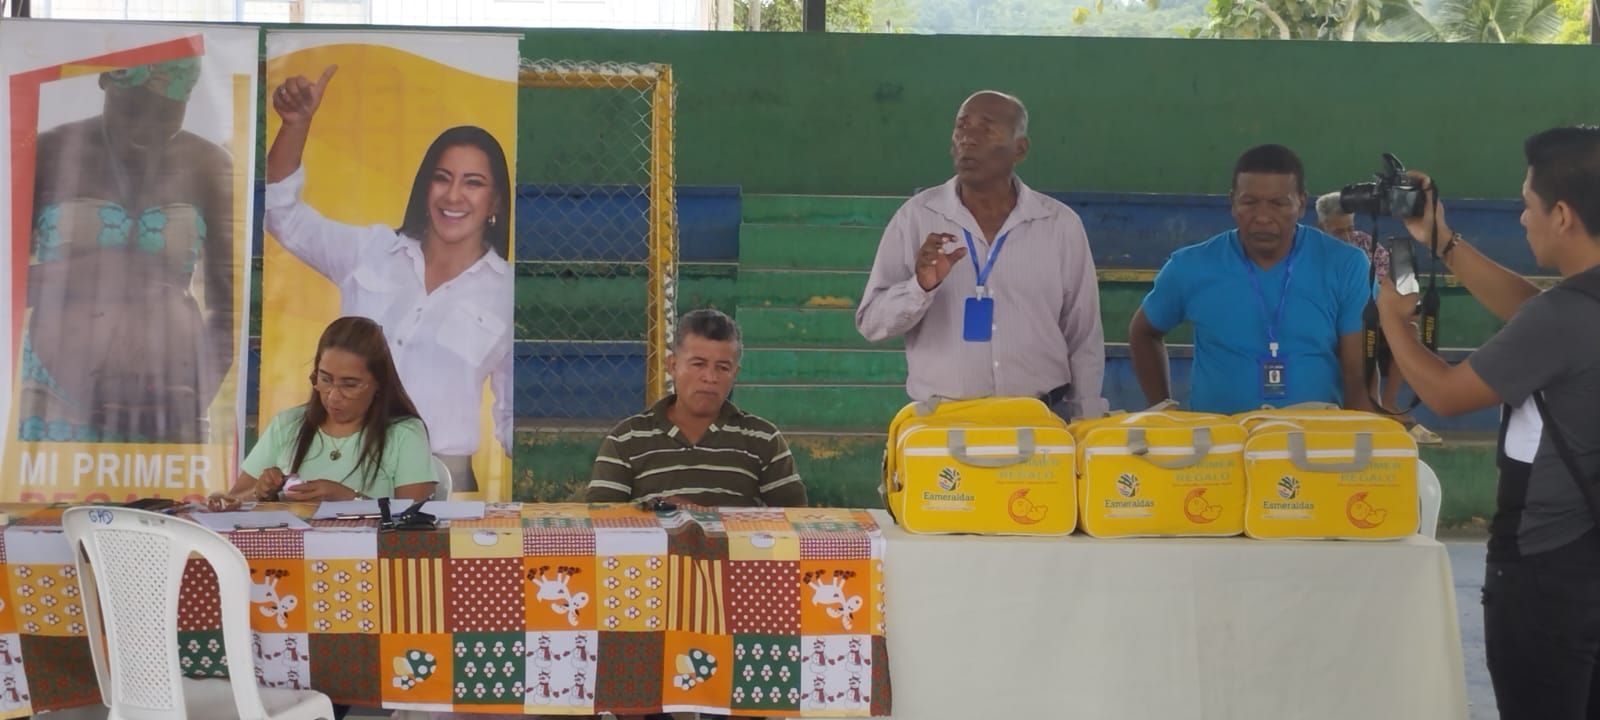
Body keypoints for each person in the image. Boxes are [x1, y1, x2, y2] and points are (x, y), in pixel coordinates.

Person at [1375, 126, 1600, 720]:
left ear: (1562, 215)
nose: (1523, 218)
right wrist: (1441, 239)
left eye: (1528, 205)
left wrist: (1392, 319)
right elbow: (1532, 310)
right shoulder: (1575, 309)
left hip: (1546, 566)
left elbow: (1447, 395)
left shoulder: (1564, 318)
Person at [264, 65, 512, 493]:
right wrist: (295, 124)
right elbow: (281, 215)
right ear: (425, 187)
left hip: (440, 478)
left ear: (495, 203)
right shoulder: (372, 250)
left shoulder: (507, 292)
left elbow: (510, 416)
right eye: (442, 178)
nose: (453, 195)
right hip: (343, 465)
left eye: (473, 183)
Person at [855, 90, 1107, 420]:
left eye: (986, 128)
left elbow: (1084, 335)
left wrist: (1086, 419)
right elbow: (872, 323)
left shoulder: (1059, 225)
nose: (968, 138)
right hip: (945, 423)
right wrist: (920, 287)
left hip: (1040, 420)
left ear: (1020, 148)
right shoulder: (915, 218)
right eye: (961, 127)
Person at [20, 56, 234, 444]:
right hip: (54, 399)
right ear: (105, 82)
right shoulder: (49, 153)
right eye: (134, 109)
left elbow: (228, 311)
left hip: (170, 403)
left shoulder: (209, 165)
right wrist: (90, 270)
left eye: (166, 113)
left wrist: (192, 401)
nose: (146, 128)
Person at [1129, 144, 1372, 414]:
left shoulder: (1346, 265)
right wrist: (1162, 411)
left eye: (1278, 203)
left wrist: (1359, 434)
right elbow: (1143, 332)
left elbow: (1359, 375)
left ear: (1302, 204)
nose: (1263, 217)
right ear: (1232, 202)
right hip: (1219, 438)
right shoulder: (1190, 266)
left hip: (1316, 436)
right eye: (1249, 202)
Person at [587, 309, 806, 511]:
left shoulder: (763, 439)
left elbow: (795, 521)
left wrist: (705, 517)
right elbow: (599, 521)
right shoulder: (626, 440)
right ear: (673, 366)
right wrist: (661, 514)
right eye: (698, 364)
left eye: (723, 368)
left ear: (735, 373)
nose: (710, 378)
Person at [208, 316, 435, 508]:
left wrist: (350, 499)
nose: (333, 396)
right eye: (325, 379)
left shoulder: (404, 433)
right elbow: (233, 501)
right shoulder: (287, 424)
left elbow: (415, 523)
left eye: (349, 385)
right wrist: (261, 492)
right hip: (290, 548)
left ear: (379, 384)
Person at [1315, 193, 1442, 444]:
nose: (1348, 237)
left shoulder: (1365, 243)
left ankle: (1389, 406)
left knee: (1407, 329)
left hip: (1370, 321)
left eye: (1350, 228)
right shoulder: (1311, 251)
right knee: (1362, 344)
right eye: (1339, 231)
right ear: (1322, 227)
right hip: (1330, 325)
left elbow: (1389, 283)